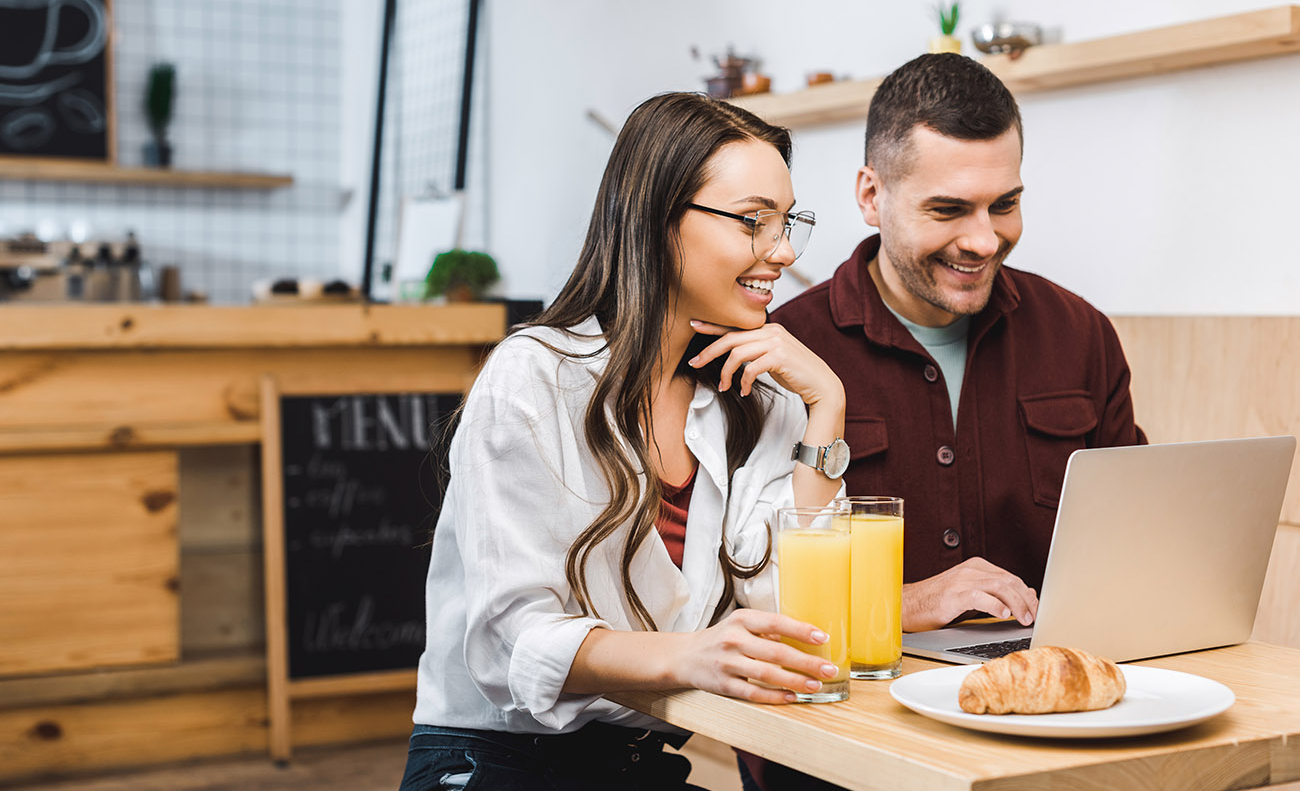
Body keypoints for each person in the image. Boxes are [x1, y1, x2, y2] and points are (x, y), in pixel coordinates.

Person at [398, 92, 851, 791]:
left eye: (787, 223)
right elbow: (508, 642)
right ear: (657, 220)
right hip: (495, 765)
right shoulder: (535, 376)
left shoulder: (762, 399)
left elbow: (790, 612)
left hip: (640, 769)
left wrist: (828, 405)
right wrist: (686, 656)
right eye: (754, 222)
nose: (784, 252)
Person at [741, 53, 1147, 791]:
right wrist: (907, 605)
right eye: (948, 210)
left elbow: (1139, 550)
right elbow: (732, 593)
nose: (985, 240)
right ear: (871, 194)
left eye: (1005, 204)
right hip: (838, 750)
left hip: (1050, 743)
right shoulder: (780, 354)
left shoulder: (1079, 335)